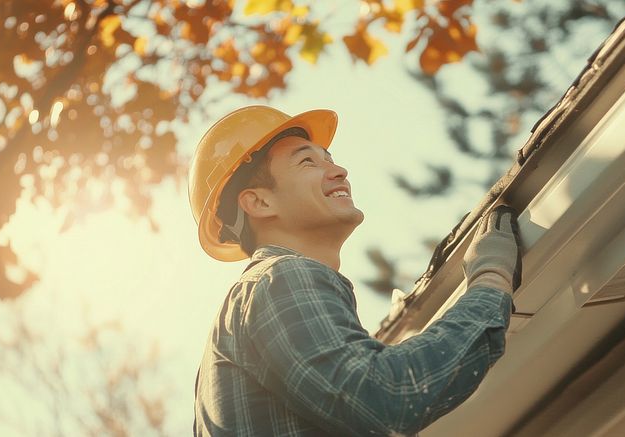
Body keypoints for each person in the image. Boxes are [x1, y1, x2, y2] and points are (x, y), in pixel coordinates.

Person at [189, 106, 521, 436]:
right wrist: (490, 281)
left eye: (329, 158)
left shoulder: (247, 313)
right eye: (308, 161)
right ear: (259, 203)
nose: (340, 171)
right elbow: (389, 395)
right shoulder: (279, 279)